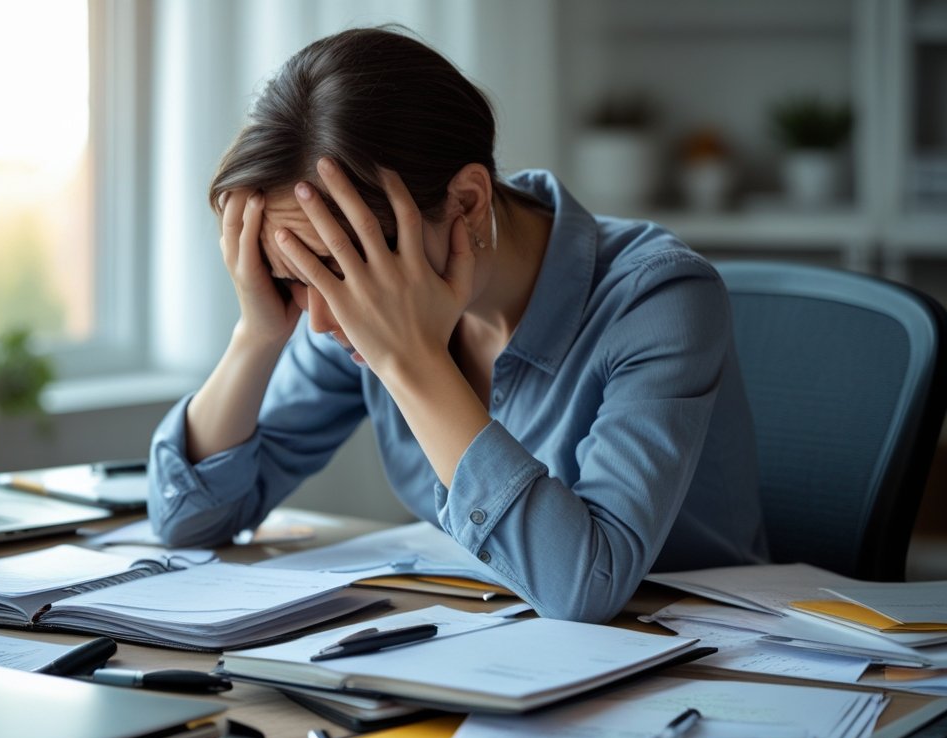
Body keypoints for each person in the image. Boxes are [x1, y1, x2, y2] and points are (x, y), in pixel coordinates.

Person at [146, 25, 767, 623]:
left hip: (703, 667)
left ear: (466, 203)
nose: (322, 319)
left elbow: (585, 585)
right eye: (294, 279)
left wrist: (411, 363)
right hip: (488, 651)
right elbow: (188, 520)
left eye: (342, 267)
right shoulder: (343, 307)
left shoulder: (657, 297)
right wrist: (257, 334)